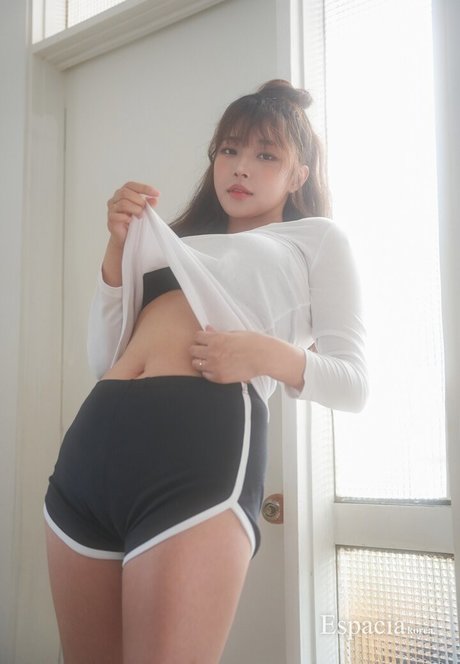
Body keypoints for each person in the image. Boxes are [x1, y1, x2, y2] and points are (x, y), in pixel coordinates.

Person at [43, 79, 368, 664]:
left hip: (196, 449)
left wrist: (262, 353)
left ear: (298, 174)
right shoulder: (173, 241)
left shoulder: (315, 239)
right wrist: (117, 250)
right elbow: (103, 357)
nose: (240, 167)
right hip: (93, 449)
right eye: (229, 149)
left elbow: (353, 383)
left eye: (265, 155)